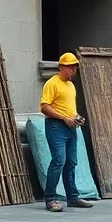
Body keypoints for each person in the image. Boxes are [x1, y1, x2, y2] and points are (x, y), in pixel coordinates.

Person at [39, 52, 93, 213]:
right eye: (71, 67)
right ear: (62, 67)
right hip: (55, 126)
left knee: (71, 162)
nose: (74, 70)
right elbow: (44, 107)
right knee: (59, 161)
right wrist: (64, 118)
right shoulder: (52, 83)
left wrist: (75, 118)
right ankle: (50, 198)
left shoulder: (70, 86)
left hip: (70, 127)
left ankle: (73, 197)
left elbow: (68, 108)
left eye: (75, 67)